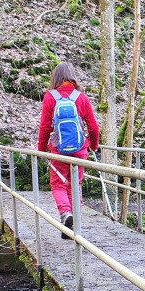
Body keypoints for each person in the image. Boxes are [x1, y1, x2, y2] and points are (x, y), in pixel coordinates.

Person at [38, 62, 100, 238]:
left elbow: (44, 127)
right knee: (76, 185)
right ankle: (75, 226)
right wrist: (93, 146)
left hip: (58, 150)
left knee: (58, 184)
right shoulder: (81, 97)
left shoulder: (50, 97)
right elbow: (94, 128)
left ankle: (66, 214)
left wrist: (42, 150)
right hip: (80, 149)